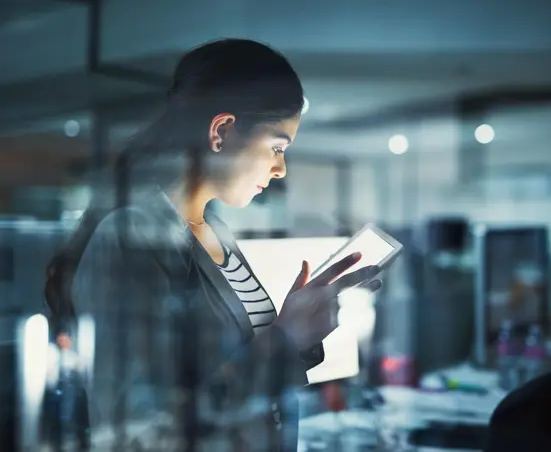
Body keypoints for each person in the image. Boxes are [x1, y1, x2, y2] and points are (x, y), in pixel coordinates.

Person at [44, 38, 381, 451]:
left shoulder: (215, 231)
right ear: (221, 130)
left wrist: (302, 327)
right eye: (277, 147)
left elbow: (244, 376)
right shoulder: (130, 237)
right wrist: (284, 339)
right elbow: (140, 427)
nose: (280, 169)